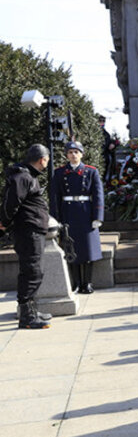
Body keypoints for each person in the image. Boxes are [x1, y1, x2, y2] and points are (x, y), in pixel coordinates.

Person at [1, 145, 54, 329]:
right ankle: (27, 317)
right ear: (42, 160)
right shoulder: (22, 177)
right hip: (27, 231)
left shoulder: (28, 175)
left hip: (32, 230)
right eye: (47, 159)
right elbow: (11, 203)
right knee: (32, 271)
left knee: (34, 271)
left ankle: (31, 310)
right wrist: (4, 222)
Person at [50, 141, 104, 294]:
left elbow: (98, 195)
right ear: (66, 155)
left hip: (86, 213)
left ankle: (87, 283)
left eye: (76, 152)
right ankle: (75, 283)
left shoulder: (91, 171)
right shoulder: (60, 173)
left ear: (82, 154)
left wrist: (97, 217)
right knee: (70, 249)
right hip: (68, 212)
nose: (73, 155)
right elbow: (55, 197)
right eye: (70, 152)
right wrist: (55, 219)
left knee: (88, 250)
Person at [99, 115, 117, 182]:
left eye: (103, 121)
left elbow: (109, 142)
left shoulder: (106, 134)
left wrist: (113, 144)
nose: (102, 123)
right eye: (100, 121)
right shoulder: (93, 132)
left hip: (105, 156)